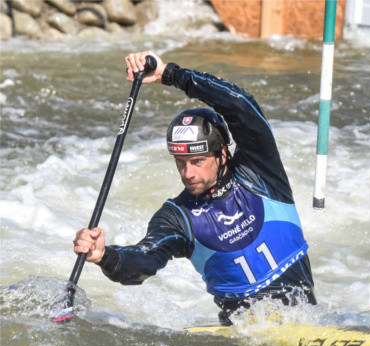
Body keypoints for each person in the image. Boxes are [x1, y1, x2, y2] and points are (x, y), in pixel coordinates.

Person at [73, 51, 316, 325]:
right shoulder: (178, 218)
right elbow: (143, 263)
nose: (188, 174)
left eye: (198, 161)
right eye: (181, 163)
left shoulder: (262, 174)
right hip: (245, 340)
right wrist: (105, 256)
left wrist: (172, 74)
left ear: (222, 155)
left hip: (306, 323)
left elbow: (241, 106)